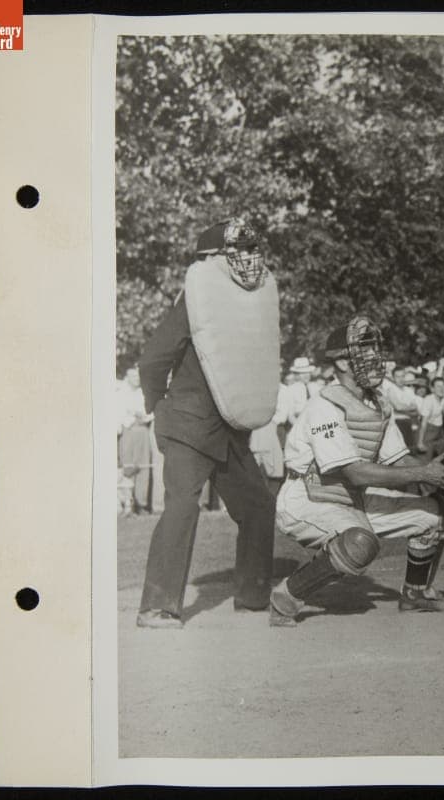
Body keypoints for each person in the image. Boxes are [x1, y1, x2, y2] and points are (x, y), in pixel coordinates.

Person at [269, 317, 444, 626]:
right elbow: (354, 473)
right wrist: (423, 475)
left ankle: (415, 594)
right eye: (363, 351)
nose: (375, 358)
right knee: (360, 544)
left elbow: (398, 460)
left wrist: (437, 472)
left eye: (374, 350)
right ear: (341, 362)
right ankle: (286, 597)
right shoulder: (325, 405)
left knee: (435, 514)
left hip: (352, 497)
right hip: (308, 498)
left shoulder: (377, 403)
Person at [136, 218, 280, 628]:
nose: (248, 259)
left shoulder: (244, 307)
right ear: (211, 259)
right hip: (188, 424)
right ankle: (156, 607)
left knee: (257, 505)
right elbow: (153, 359)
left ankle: (253, 597)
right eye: (236, 251)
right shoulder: (195, 301)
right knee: (182, 506)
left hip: (227, 429)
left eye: (251, 250)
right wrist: (158, 406)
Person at [117, 366, 154, 514]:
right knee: (129, 466)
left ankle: (142, 504)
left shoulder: (144, 393)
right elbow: (117, 414)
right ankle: (128, 503)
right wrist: (130, 419)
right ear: (127, 377)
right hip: (128, 431)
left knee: (144, 467)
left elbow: (152, 411)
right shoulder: (120, 394)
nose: (136, 379)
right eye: (133, 376)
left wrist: (144, 417)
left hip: (143, 430)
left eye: (138, 376)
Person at [415, 376, 444, 460]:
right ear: (432, 389)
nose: (442, 389)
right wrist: (420, 442)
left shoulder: (443, 399)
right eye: (438, 386)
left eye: (443, 386)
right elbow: (423, 423)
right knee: (424, 462)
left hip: (438, 433)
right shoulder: (428, 400)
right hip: (427, 433)